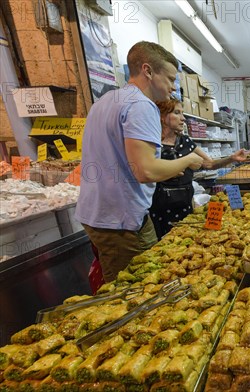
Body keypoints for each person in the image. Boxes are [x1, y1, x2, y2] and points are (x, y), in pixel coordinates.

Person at [75, 41, 204, 283]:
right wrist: (187, 160)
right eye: (170, 79)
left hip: (99, 214)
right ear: (148, 71)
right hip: (120, 219)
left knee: (125, 280)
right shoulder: (142, 106)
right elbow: (145, 170)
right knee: (135, 289)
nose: (173, 88)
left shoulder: (106, 101)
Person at [149, 98, 246, 238]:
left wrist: (232, 158)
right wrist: (174, 170)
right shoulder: (152, 144)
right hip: (160, 208)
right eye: (177, 113)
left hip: (184, 204)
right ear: (162, 117)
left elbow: (209, 164)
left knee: (187, 241)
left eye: (183, 113)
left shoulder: (185, 141)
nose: (183, 118)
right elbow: (147, 172)